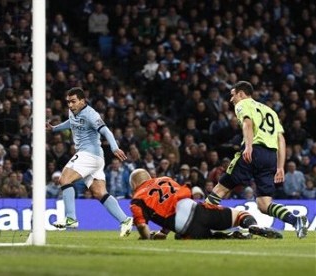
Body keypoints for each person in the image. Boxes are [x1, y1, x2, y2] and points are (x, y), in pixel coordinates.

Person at [205, 81, 308, 239]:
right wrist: (280, 166)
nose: (231, 99)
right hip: (270, 157)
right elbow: (281, 139)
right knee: (264, 204)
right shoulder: (270, 111)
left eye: (233, 95)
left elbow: (247, 124)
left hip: (253, 151)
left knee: (221, 188)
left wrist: (248, 146)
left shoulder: (243, 104)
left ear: (241, 93)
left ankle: (200, 224)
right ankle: (295, 220)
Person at [46, 87, 133, 237]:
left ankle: (71, 218)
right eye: (68, 102)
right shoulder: (73, 111)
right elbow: (72, 123)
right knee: (99, 192)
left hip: (89, 154)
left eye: (73, 102)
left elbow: (106, 131)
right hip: (94, 158)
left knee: (64, 179)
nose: (70, 105)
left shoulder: (91, 114)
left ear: (82, 101)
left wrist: (114, 148)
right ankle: (125, 220)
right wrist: (54, 129)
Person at [129, 169, 283, 240]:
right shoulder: (164, 180)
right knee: (239, 215)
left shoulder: (137, 199)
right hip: (198, 209)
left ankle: (228, 236)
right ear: (149, 177)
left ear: (134, 184)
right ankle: (251, 226)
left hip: (185, 227)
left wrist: (147, 237)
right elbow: (173, 203)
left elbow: (143, 226)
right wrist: (164, 232)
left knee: (183, 236)